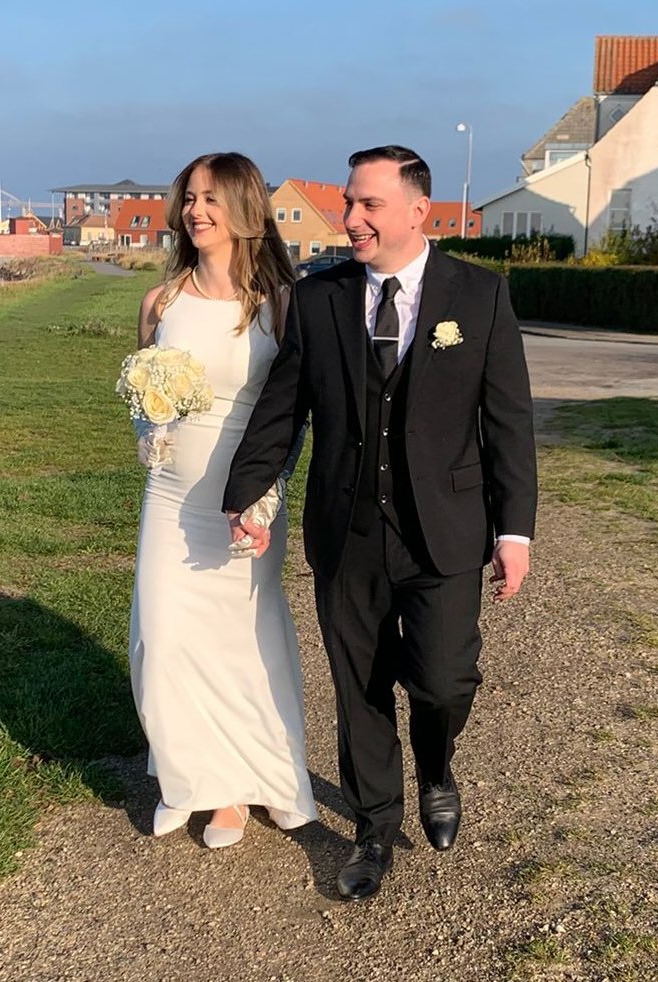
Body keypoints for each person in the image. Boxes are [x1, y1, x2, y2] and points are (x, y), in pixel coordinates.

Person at [224, 146, 536, 898]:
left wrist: (514, 531)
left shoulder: (480, 295)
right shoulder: (319, 299)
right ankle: (373, 828)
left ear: (417, 211)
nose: (351, 218)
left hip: (445, 531)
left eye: (368, 204)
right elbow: (281, 410)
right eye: (349, 204)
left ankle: (437, 766)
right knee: (358, 684)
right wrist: (246, 493)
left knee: (444, 678)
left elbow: (508, 422)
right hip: (349, 529)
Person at [129, 152, 317, 849]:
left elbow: (291, 414)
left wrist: (262, 502)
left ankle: (249, 783)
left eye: (210, 198)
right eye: (189, 198)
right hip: (171, 493)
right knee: (165, 638)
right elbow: (142, 400)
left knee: (242, 638)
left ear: (244, 207)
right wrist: (150, 430)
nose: (195, 211)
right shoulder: (160, 303)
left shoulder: (280, 305)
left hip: (247, 494)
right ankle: (191, 779)